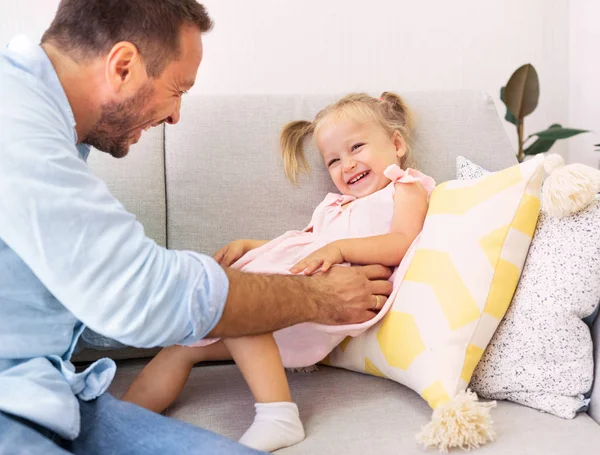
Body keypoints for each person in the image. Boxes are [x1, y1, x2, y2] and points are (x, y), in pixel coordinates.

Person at [0, 1, 394, 454]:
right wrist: (320, 298)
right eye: (177, 89)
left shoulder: (49, 127)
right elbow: (138, 293)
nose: (175, 116)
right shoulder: (15, 123)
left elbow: (89, 296)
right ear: (123, 66)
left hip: (53, 395)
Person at [122, 92, 436, 452]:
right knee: (182, 347)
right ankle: (115, 421)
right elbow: (304, 243)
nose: (346, 165)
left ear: (396, 144)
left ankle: (278, 415)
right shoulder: (337, 205)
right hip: (309, 285)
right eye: (333, 160)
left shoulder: (404, 188)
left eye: (356, 148)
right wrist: (253, 246)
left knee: (241, 305)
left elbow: (402, 239)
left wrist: (341, 249)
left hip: (340, 299)